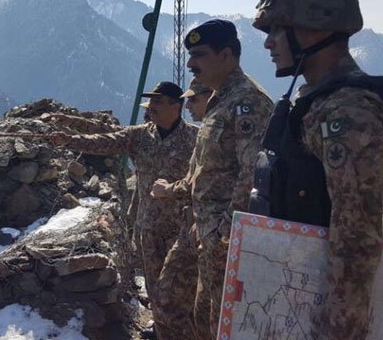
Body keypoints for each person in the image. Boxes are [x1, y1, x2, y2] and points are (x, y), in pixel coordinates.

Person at [249, 0, 383, 339]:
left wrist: (339, 329)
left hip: (320, 314)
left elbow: (356, 238)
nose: (268, 44)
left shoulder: (347, 113)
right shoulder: (316, 100)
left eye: (276, 30)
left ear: (315, 29)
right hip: (290, 297)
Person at [151, 20, 273, 339]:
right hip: (206, 233)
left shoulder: (249, 103)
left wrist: (222, 232)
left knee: (221, 325)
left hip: (228, 243)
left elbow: (253, 177)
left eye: (200, 55)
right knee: (201, 318)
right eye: (190, 55)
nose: (191, 64)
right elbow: (206, 174)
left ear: (227, 55)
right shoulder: (219, 102)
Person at [51, 82, 198, 340]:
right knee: (153, 283)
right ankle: (162, 329)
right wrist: (69, 138)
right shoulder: (140, 136)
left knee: (181, 286)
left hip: (181, 228)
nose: (151, 106)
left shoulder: (195, 139)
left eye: (158, 101)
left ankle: (186, 332)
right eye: (150, 101)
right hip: (148, 225)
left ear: (176, 106)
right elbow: (105, 139)